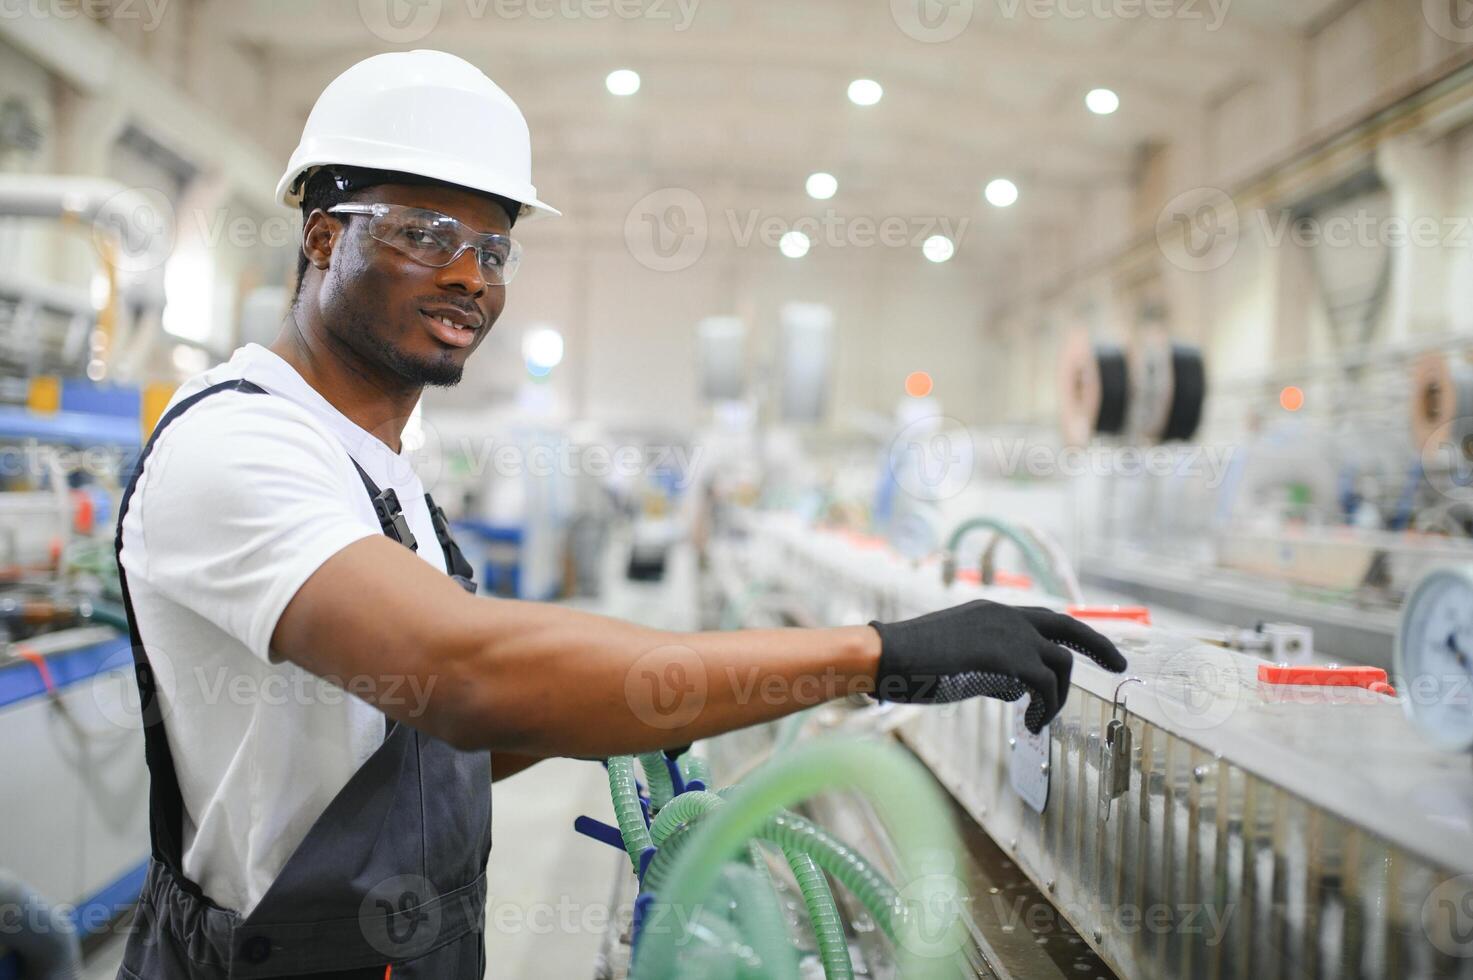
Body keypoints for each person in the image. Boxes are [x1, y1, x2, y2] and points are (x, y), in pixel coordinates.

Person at [113, 49, 1126, 979]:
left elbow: (431, 740)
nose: (471, 274)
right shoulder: (239, 443)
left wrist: (626, 702)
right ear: (324, 238)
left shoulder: (381, 470)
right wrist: (877, 651)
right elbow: (463, 674)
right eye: (427, 236)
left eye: (495, 247)